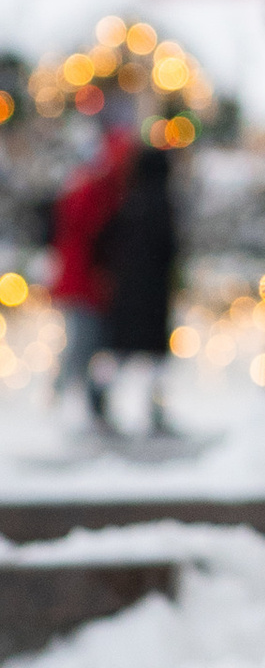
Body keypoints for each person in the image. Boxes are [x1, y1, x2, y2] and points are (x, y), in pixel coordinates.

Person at [45, 116, 132, 431]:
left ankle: (69, 400)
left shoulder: (89, 187)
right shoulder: (92, 189)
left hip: (84, 279)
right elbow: (88, 234)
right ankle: (62, 401)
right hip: (84, 281)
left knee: (85, 343)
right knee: (82, 343)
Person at [99, 129, 182, 435]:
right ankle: (154, 413)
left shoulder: (129, 202)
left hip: (126, 293)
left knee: (122, 354)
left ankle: (103, 403)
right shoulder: (161, 203)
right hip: (153, 295)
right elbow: (168, 249)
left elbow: (106, 242)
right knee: (154, 360)